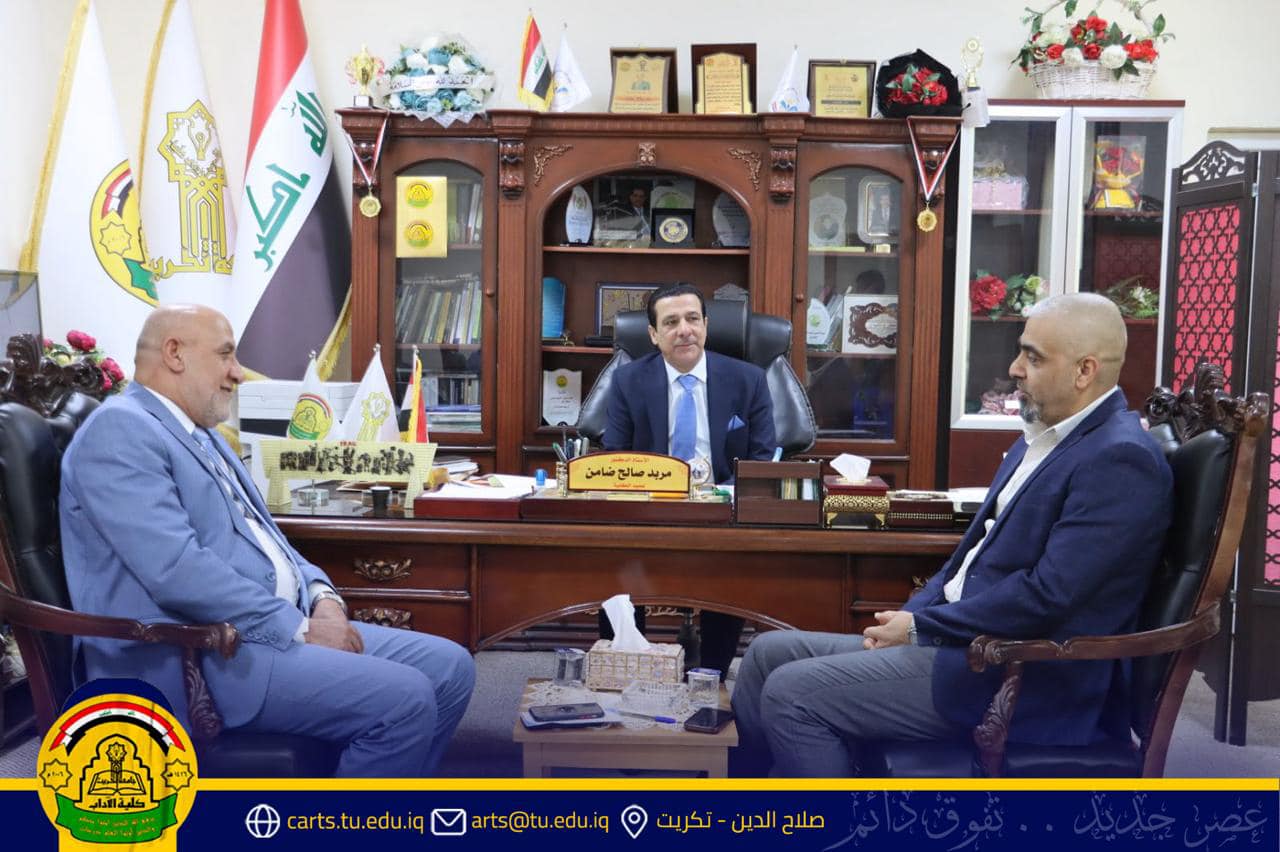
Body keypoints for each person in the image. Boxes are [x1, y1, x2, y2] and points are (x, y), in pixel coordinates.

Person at [731, 293, 1173, 776]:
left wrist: (923, 628)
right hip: (965, 647)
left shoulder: (1119, 459)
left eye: (1033, 357)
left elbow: (1048, 596)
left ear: (1084, 371)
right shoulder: (1044, 438)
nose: (1015, 369)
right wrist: (913, 618)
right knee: (765, 655)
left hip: (1022, 676)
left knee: (792, 693)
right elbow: (967, 562)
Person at [60, 305, 475, 777]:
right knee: (406, 700)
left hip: (268, 629)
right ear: (174, 354)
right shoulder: (119, 430)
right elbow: (176, 570)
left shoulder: (203, 435)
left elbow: (269, 541)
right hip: (204, 656)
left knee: (451, 669)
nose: (238, 372)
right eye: (225, 354)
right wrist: (299, 629)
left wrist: (323, 598)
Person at [603, 283, 776, 678]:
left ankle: (711, 675)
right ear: (653, 334)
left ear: (706, 326)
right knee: (611, 562)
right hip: (649, 515)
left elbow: (762, 460)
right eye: (671, 322)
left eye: (693, 319)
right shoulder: (628, 381)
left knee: (731, 565)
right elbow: (615, 458)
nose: (684, 330)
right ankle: (625, 668)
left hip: (721, 517)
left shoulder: (748, 379)